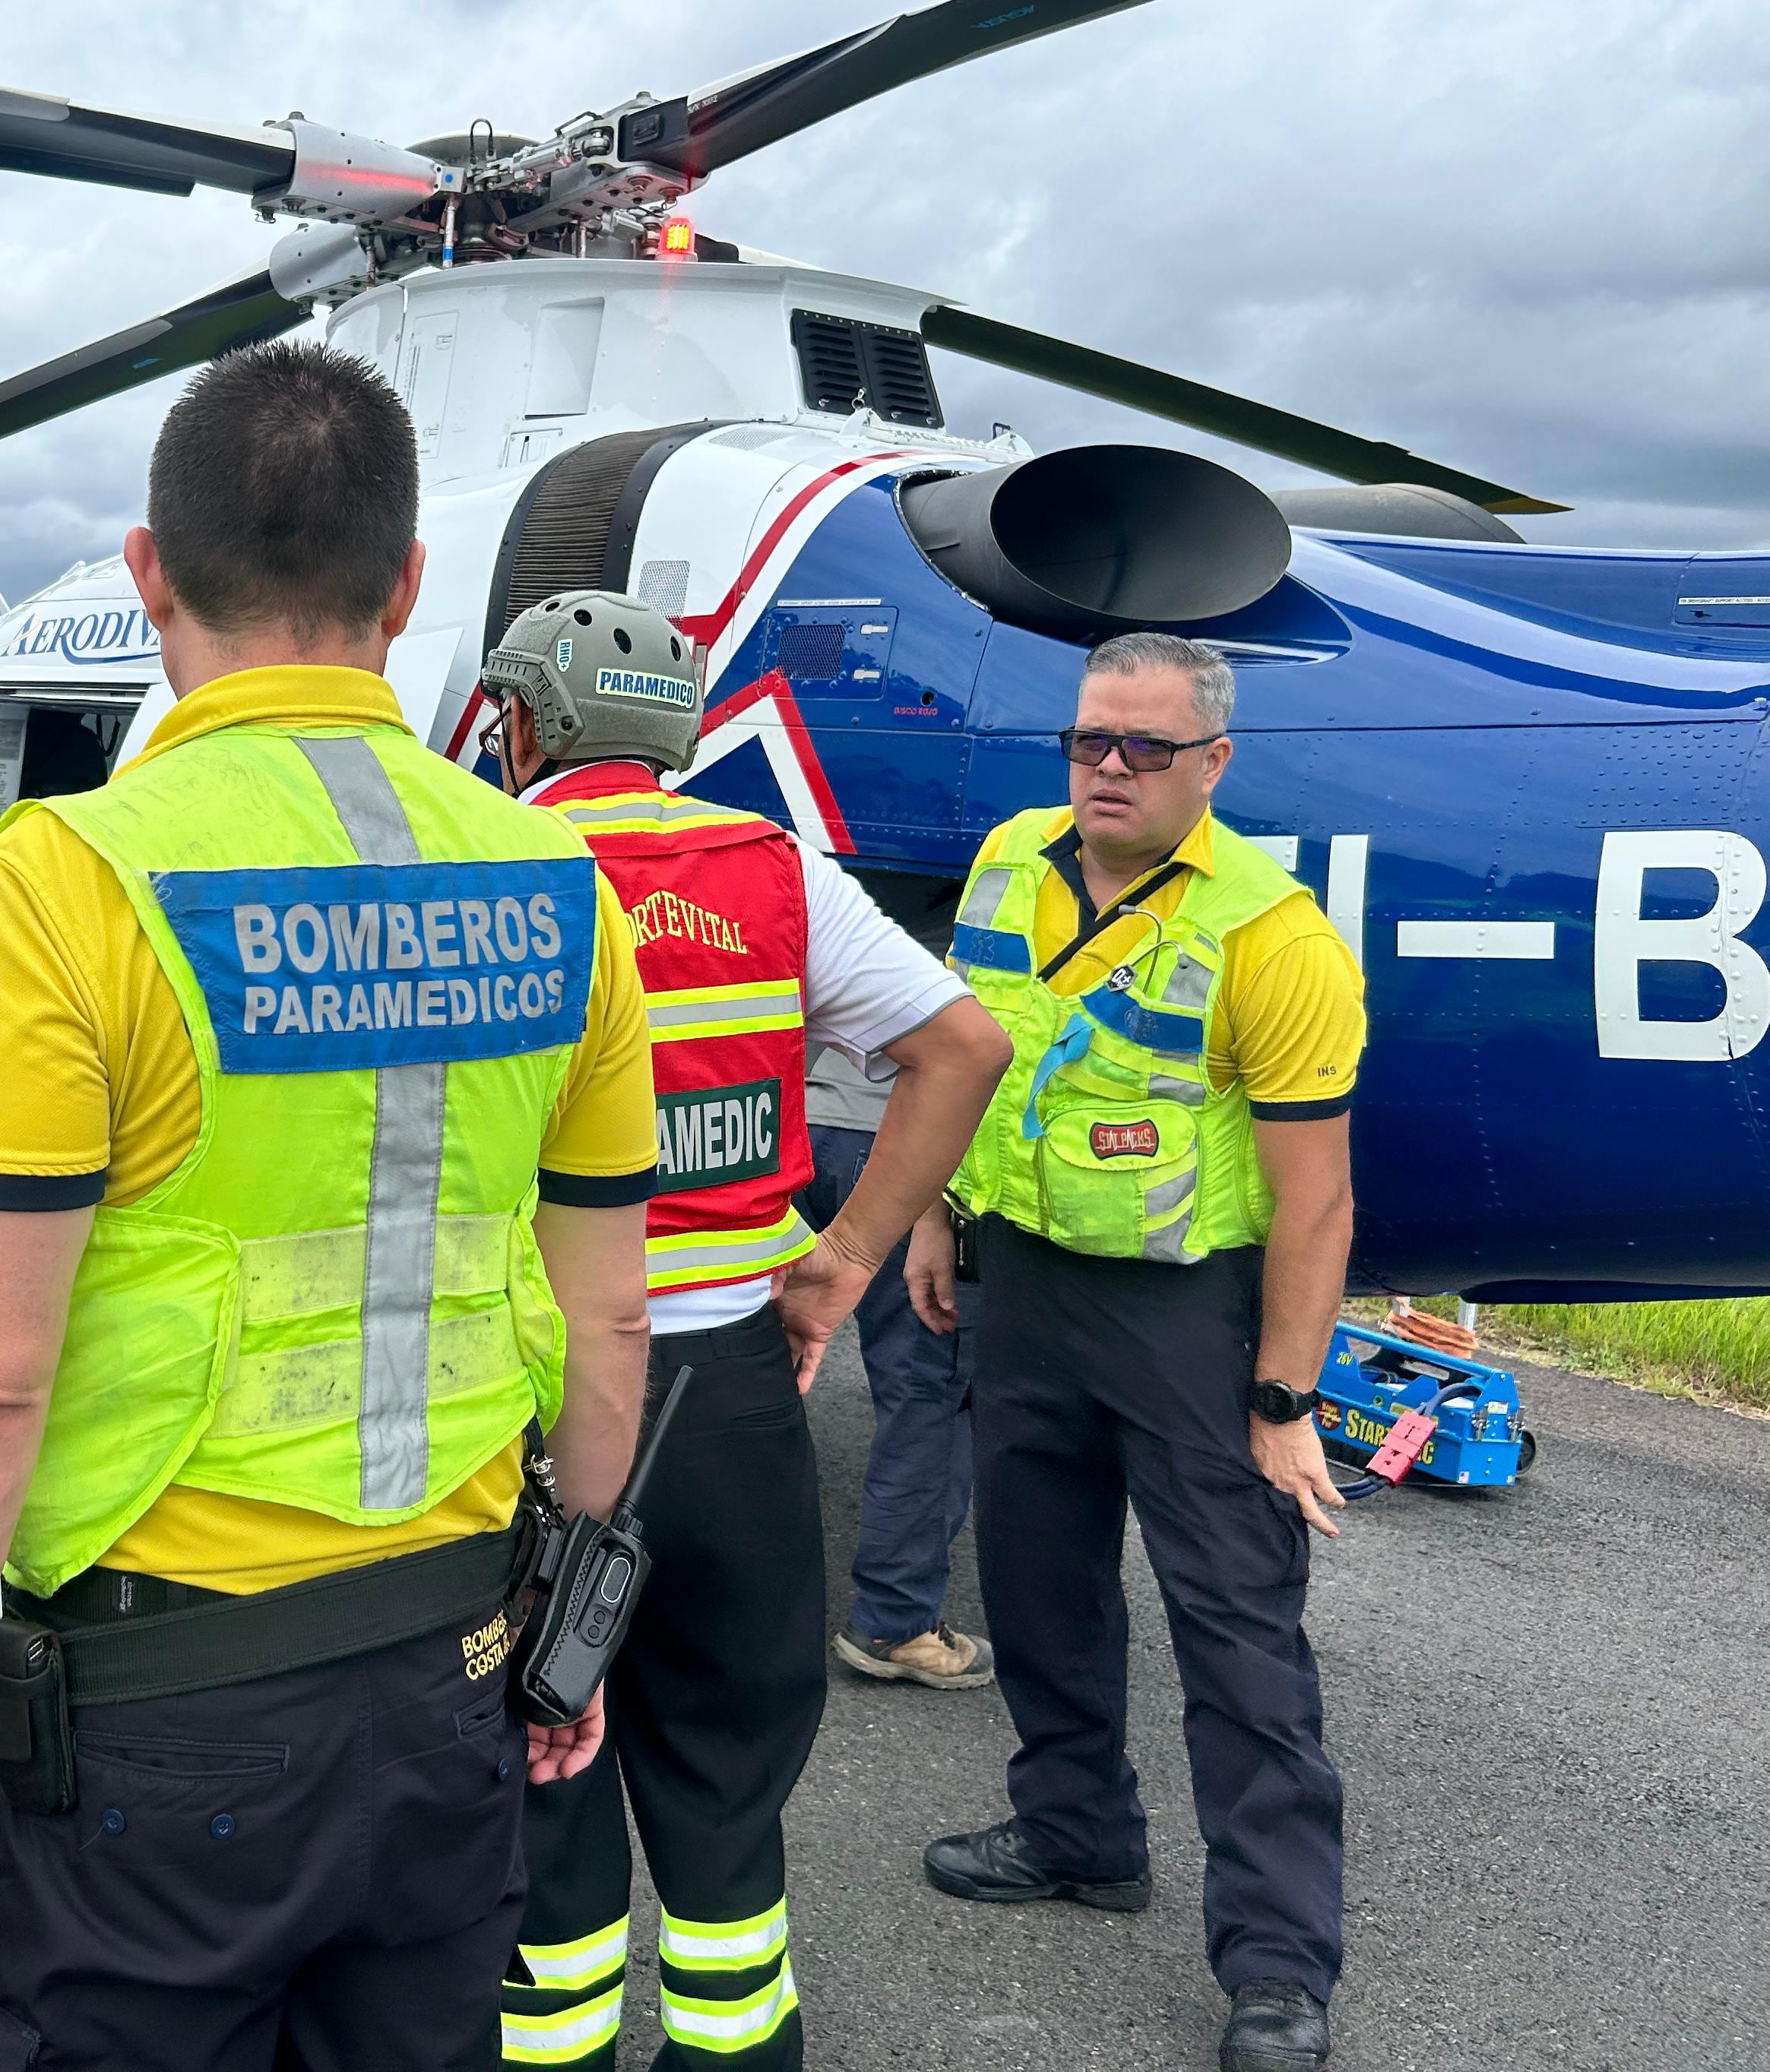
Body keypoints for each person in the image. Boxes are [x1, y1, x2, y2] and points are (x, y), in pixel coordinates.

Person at [0, 340, 658, 2071]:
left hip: (153, 1728)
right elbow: (607, 1316)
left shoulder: (66, 880)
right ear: (409, 587)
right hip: (456, 1677)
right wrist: (579, 1625)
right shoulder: (558, 880)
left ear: (147, 571)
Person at [479, 591, 1009, 2071]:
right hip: (734, 1390)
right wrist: (842, 1260)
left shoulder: (485, 869)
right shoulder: (776, 871)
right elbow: (962, 1044)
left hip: (530, 1390)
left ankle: (554, 2042)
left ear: (525, 721)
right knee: (725, 1783)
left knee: (534, 1763)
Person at [908, 631, 1362, 2072]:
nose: (1106, 768)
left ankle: (1278, 1966)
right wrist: (929, 1212)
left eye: (1143, 749)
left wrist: (1283, 1397)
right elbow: (961, 1053)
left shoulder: (1270, 933)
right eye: (1088, 740)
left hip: (1188, 1314)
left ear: (1211, 763)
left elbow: (1318, 1197)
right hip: (1024, 1281)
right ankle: (1075, 1832)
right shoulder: (1006, 859)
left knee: (1237, 1636)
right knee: (1038, 1586)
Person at [809, 1020, 996, 1689]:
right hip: (901, 1141)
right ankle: (897, 1621)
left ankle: (722, 1599)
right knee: (928, 1388)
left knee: (759, 1369)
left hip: (795, 1123)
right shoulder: (998, 926)